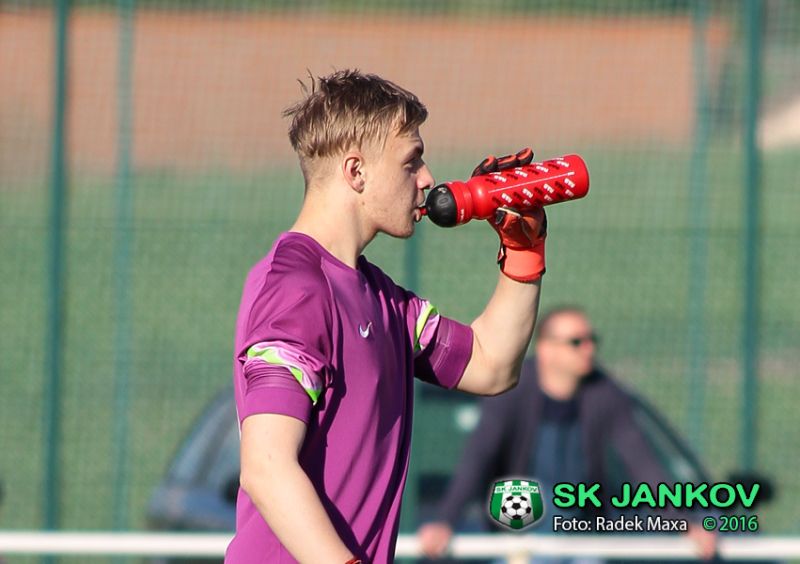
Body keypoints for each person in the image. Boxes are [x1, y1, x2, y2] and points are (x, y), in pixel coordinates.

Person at [225, 69, 548, 564]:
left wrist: (523, 254)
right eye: (411, 161)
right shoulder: (295, 286)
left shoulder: (381, 297)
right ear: (356, 171)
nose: (428, 179)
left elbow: (492, 364)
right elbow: (267, 466)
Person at [418, 306, 718, 563]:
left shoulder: (607, 394)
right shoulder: (513, 391)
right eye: (577, 341)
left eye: (591, 340)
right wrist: (445, 520)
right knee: (544, 497)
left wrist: (683, 523)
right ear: (546, 349)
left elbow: (643, 463)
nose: (589, 349)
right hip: (517, 539)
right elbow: (479, 455)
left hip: (580, 540)